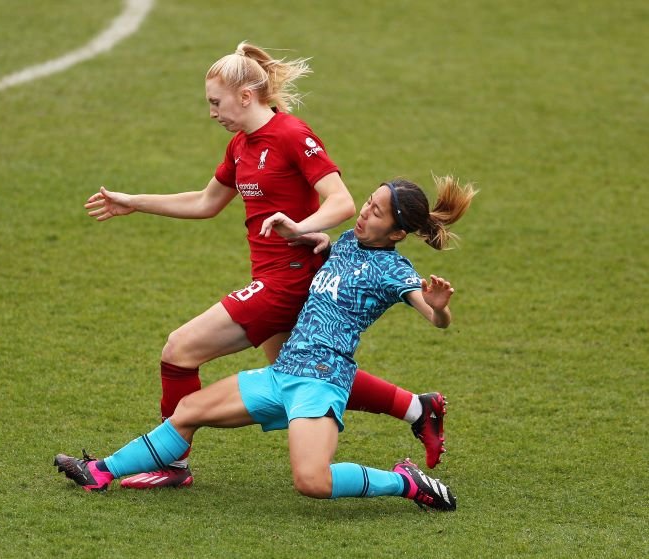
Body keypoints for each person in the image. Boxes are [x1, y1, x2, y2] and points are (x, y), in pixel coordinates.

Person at [84, 42, 447, 488]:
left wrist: (299, 229)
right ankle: (418, 408)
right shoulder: (240, 145)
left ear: (244, 95)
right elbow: (205, 202)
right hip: (272, 278)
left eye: (215, 102)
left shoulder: (293, 135)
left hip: (290, 281)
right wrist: (133, 202)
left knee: (180, 351)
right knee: (303, 371)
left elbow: (341, 201)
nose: (211, 112)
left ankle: (171, 464)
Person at [58, 176, 477, 509]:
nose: (364, 213)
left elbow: (436, 319)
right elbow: (337, 263)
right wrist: (320, 241)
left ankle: (404, 482)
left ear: (398, 233)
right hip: (283, 373)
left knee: (312, 481)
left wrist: (438, 307)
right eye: (368, 202)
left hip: (321, 382)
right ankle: (100, 471)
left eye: (377, 212)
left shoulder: (395, 270)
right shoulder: (349, 241)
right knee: (187, 411)